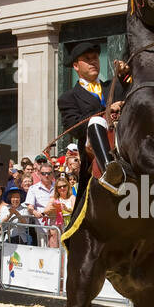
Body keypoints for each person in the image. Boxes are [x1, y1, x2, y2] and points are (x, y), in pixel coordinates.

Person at [57, 40, 129, 194]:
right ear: (76, 66)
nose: (93, 62)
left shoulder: (114, 86)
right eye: (87, 59)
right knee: (95, 121)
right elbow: (75, 128)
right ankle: (109, 172)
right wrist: (106, 111)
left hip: (123, 143)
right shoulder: (68, 98)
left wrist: (126, 73)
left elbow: (133, 89)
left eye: (95, 58)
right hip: (93, 154)